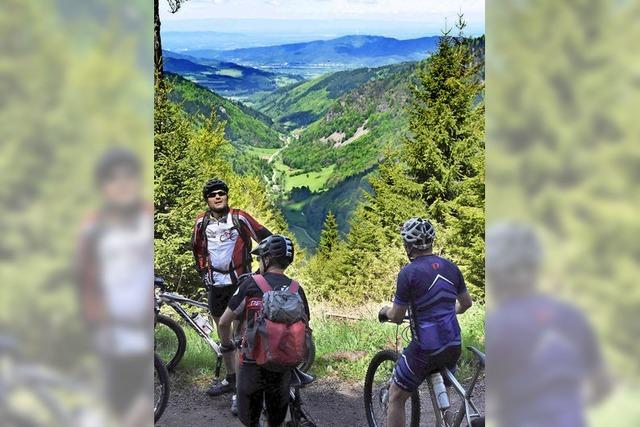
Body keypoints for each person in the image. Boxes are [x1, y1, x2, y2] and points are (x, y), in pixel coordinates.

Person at [486, 223, 610, 426]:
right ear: (536, 266)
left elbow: (492, 401)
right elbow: (602, 385)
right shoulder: (572, 315)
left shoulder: (497, 324)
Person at [75, 147, 153, 426]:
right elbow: (82, 276)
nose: (122, 185)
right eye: (113, 179)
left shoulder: (147, 216)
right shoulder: (92, 226)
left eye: (128, 177)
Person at [378, 217, 473, 427]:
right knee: (445, 398)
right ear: (431, 241)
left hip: (426, 349)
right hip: (453, 344)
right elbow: (466, 304)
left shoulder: (408, 273)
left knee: (395, 397)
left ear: (408, 245)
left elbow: (396, 315)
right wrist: (449, 311)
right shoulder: (451, 267)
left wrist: (384, 312)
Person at [191, 177, 271, 399]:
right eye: (212, 194)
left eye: (221, 193)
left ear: (226, 196)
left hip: (240, 283)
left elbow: (266, 238)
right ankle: (231, 378)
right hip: (215, 285)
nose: (217, 196)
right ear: (207, 199)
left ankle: (243, 387)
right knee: (224, 335)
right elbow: (197, 249)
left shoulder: (239, 217)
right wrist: (203, 272)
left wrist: (263, 272)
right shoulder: (201, 223)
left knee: (241, 336)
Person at [218, 235, 311, 427]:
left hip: (251, 364)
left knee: (249, 420)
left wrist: (228, 345)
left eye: (259, 258)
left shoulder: (250, 284)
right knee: (275, 421)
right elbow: (306, 327)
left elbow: (224, 323)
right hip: (283, 365)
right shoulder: (296, 289)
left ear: (266, 259)